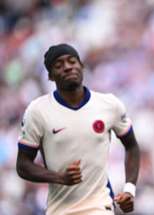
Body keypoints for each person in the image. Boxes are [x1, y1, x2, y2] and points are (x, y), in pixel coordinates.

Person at [16, 43, 140, 215]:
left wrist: (129, 189)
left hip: (100, 206)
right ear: (51, 76)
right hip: (59, 210)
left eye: (72, 61)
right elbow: (23, 165)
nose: (67, 67)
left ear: (81, 66)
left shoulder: (109, 105)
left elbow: (131, 146)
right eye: (59, 65)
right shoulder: (38, 111)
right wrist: (59, 177)